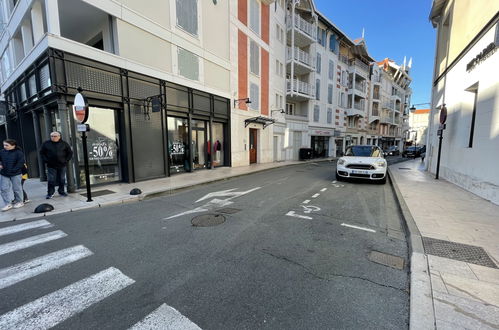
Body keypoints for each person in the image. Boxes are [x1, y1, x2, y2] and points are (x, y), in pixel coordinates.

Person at [40, 131, 73, 199]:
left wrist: (66, 161)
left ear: (59, 136)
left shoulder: (64, 144)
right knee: (51, 180)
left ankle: (61, 191)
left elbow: (70, 153)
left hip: (62, 165)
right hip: (51, 165)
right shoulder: (46, 144)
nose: (53, 137)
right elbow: (42, 153)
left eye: (55, 136)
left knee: (62, 179)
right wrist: (46, 160)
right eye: (52, 136)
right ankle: (50, 193)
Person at [0, 139, 26, 211]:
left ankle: (20, 202)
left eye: (6, 145)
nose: (5, 146)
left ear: (13, 146)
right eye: (4, 145)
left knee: (17, 188)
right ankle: (8, 204)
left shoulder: (18, 153)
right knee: (3, 189)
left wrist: (13, 170)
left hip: (16, 173)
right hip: (4, 173)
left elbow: (20, 163)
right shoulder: (2, 152)